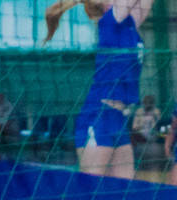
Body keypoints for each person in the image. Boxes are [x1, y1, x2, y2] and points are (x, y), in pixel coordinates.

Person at [47, 0, 155, 178]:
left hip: (120, 119)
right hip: (99, 116)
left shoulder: (130, 25)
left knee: (123, 190)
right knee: (92, 188)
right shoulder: (109, 22)